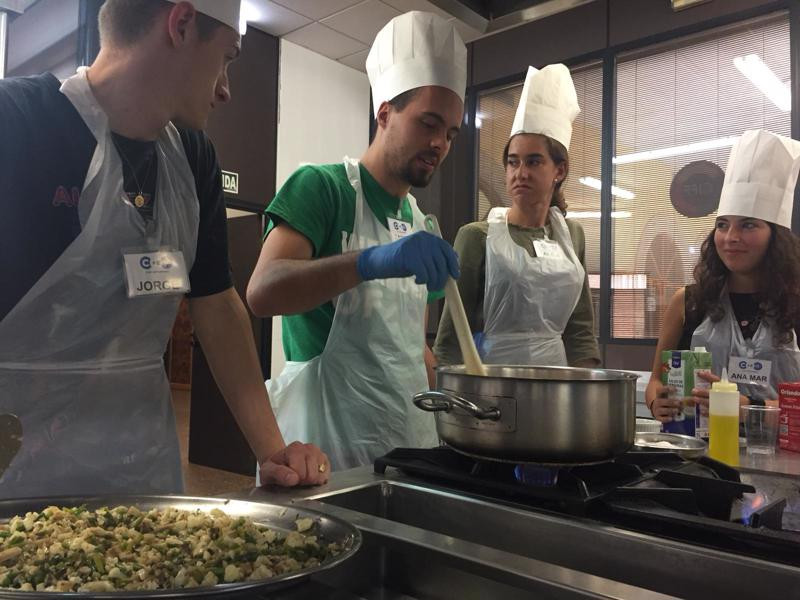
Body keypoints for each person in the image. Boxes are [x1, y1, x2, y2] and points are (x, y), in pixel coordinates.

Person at [0, 0, 328, 499]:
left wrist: (272, 451)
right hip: (15, 470)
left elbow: (217, 304)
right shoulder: (17, 122)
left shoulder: (194, 159)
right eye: (227, 58)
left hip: (138, 474)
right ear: (180, 24)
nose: (226, 88)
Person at [246, 11, 466, 471]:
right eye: (428, 123)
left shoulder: (424, 225)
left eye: (450, 133)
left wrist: (458, 398)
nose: (440, 144)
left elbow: (409, 345)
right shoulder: (321, 189)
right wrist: (369, 262)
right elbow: (263, 292)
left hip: (409, 447)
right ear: (384, 111)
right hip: (326, 451)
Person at [433, 64, 599, 368]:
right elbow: (453, 334)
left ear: (559, 170)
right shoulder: (476, 236)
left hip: (557, 383)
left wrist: (586, 394)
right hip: (493, 382)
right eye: (513, 162)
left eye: (534, 162)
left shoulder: (572, 235)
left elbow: (580, 330)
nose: (520, 173)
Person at [646, 129, 800, 423]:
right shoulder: (688, 302)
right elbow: (656, 381)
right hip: (697, 456)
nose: (730, 237)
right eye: (722, 225)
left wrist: (748, 408)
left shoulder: (794, 305)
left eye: (748, 225)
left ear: (775, 237)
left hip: (780, 459)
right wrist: (657, 403)